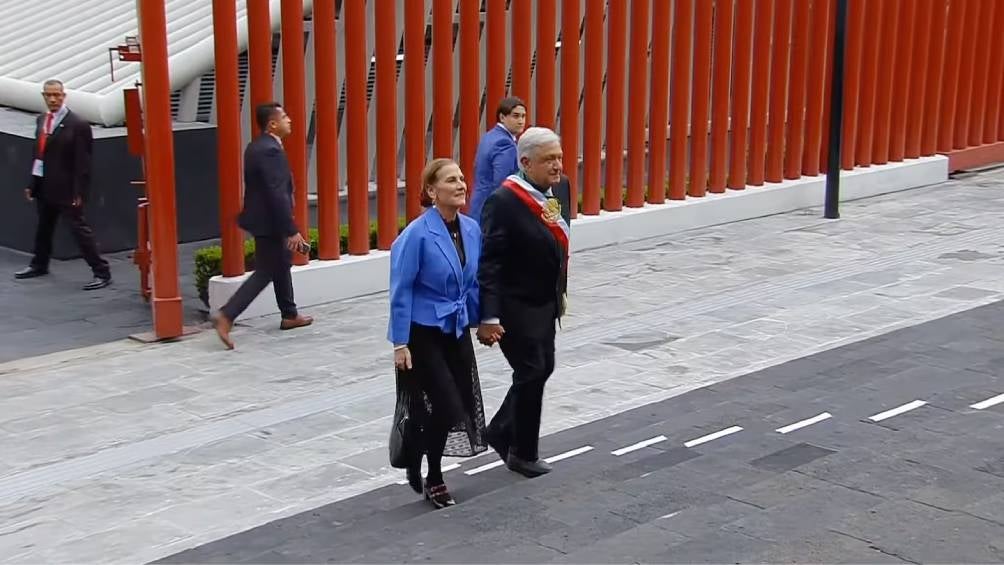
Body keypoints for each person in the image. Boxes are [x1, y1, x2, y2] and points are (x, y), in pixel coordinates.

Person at [388, 158, 490, 508]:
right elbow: (400, 289)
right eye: (451, 180)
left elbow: (474, 283)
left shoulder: (471, 230)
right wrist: (400, 343)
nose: (461, 185)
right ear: (432, 191)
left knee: (460, 405)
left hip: (456, 328)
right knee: (445, 405)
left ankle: (419, 451)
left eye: (462, 179)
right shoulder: (416, 235)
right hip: (423, 332)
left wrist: (486, 321)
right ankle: (434, 475)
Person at [477, 127, 571, 478]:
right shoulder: (503, 201)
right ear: (526, 162)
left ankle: (504, 432)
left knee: (543, 367)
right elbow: (489, 263)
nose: (557, 165)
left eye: (559, 157)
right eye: (549, 159)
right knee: (531, 369)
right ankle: (522, 451)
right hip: (515, 305)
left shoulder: (558, 188)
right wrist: (488, 315)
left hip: (546, 300)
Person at [212, 102, 313, 349]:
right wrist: (290, 229)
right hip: (270, 221)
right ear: (273, 124)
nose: (290, 120)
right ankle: (227, 315)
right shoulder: (271, 151)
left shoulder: (256, 146)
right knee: (267, 270)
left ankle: (289, 314)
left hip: (263, 219)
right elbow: (276, 193)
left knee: (281, 264)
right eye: (285, 116)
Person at [16, 79, 111, 290]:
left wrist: (79, 191)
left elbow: (83, 162)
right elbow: (38, 154)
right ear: (43, 96)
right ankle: (39, 264)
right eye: (48, 95)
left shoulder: (77, 124)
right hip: (45, 186)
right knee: (43, 228)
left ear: (63, 96)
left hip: (67, 189)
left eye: (57, 95)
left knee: (78, 230)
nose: (53, 99)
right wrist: (33, 184)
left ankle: (101, 271)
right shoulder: (42, 120)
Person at [467, 96, 526, 224]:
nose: (521, 121)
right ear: (502, 117)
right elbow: (503, 182)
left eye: (523, 116)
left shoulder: (489, 136)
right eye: (515, 116)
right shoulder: (505, 143)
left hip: (479, 204)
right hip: (493, 210)